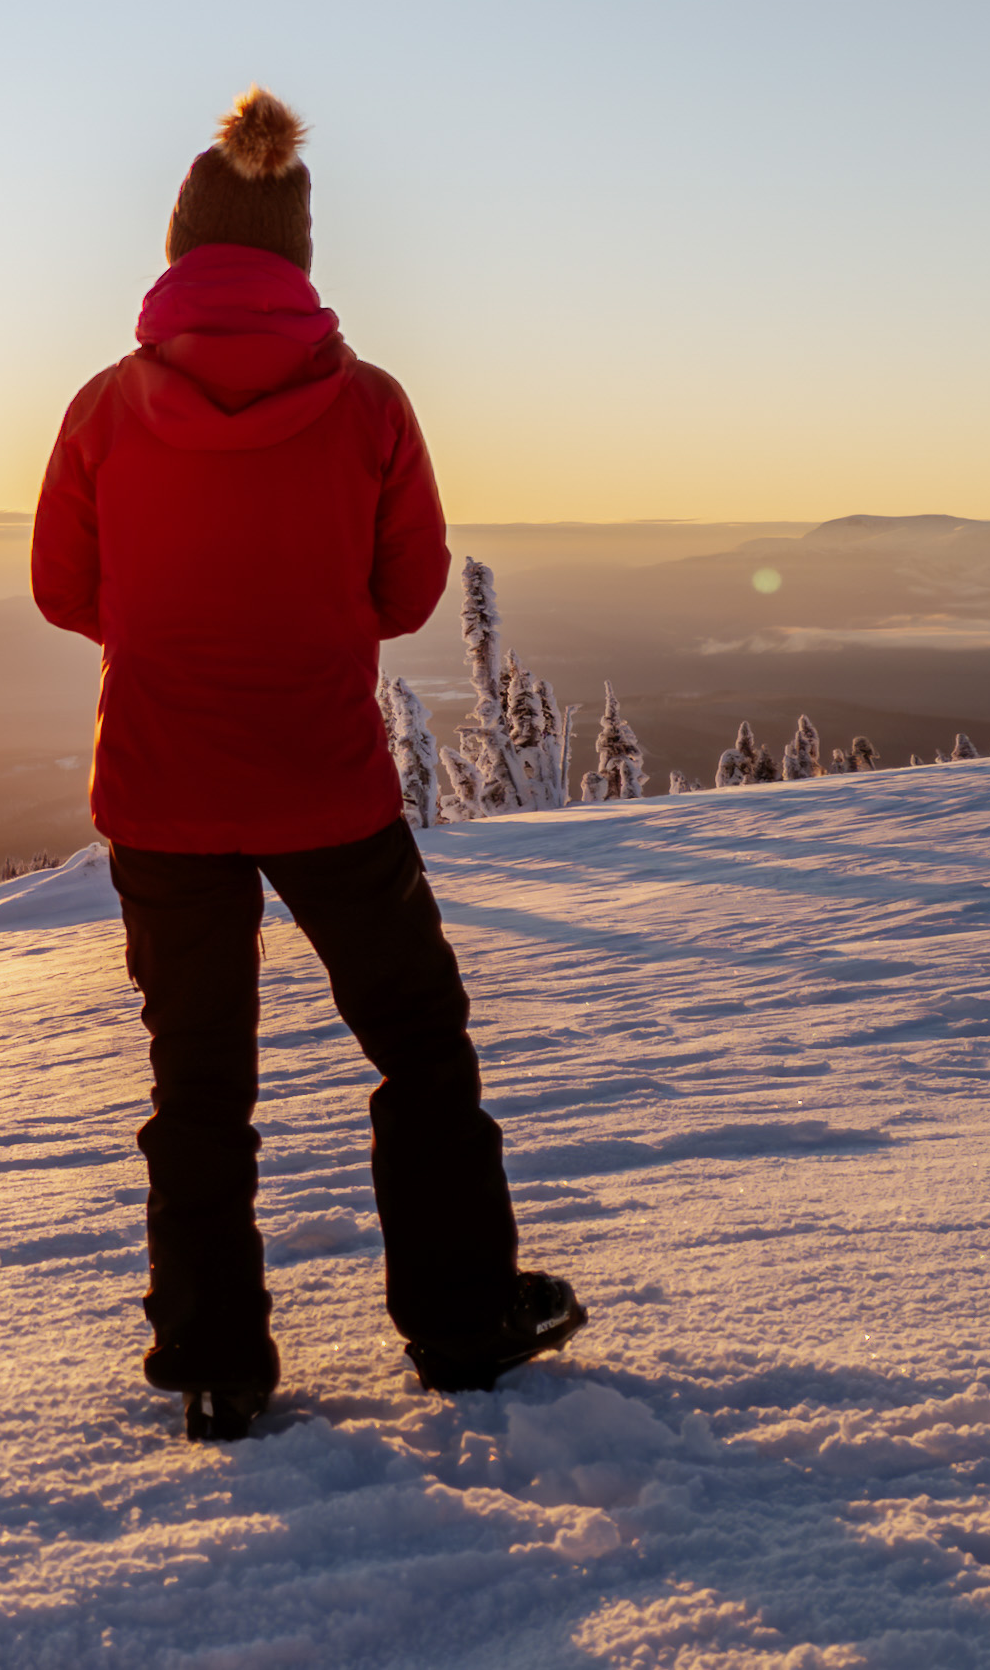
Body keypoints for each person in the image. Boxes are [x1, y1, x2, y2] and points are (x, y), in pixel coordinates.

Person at [30, 86, 585, 1442]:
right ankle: (463, 1323)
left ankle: (216, 1366)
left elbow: (63, 589)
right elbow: (405, 598)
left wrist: (176, 633)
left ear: (178, 250)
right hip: (330, 786)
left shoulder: (106, 408)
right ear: (300, 250)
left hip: (163, 793)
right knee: (420, 1047)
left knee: (197, 1082)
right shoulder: (370, 406)